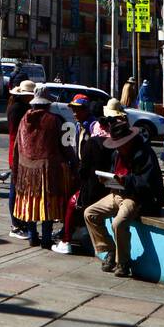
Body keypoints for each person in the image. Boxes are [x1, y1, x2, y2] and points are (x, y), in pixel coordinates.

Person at [83, 112, 164, 277]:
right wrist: (107, 180)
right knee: (89, 213)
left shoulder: (145, 154)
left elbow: (146, 183)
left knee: (118, 224)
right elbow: (115, 173)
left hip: (135, 197)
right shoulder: (117, 154)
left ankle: (123, 262)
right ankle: (110, 249)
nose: (119, 147)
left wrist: (125, 181)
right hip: (117, 193)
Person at [12, 91, 74, 249]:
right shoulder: (55, 120)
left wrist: (16, 168)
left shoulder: (23, 120)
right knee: (48, 204)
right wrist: (73, 162)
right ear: (48, 104)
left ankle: (33, 236)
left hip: (26, 169)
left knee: (30, 201)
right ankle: (46, 239)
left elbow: (17, 146)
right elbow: (66, 146)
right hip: (48, 171)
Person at [51, 93, 107, 254]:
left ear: (85, 110)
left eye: (78, 110)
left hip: (90, 174)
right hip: (79, 171)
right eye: (73, 110)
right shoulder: (78, 125)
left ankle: (68, 237)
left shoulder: (93, 126)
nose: (74, 113)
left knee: (74, 203)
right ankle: (73, 231)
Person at [6, 80, 36, 238]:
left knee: (18, 188)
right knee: (15, 189)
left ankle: (19, 222)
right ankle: (16, 225)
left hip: (17, 150)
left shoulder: (17, 106)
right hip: (18, 151)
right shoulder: (19, 109)